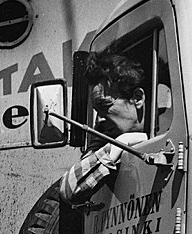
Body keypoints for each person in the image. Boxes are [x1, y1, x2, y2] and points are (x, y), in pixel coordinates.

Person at [59, 50, 148, 206]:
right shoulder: (105, 134)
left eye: (105, 106)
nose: (99, 118)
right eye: (96, 110)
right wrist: (118, 144)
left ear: (137, 99)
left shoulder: (170, 127)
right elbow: (69, 189)